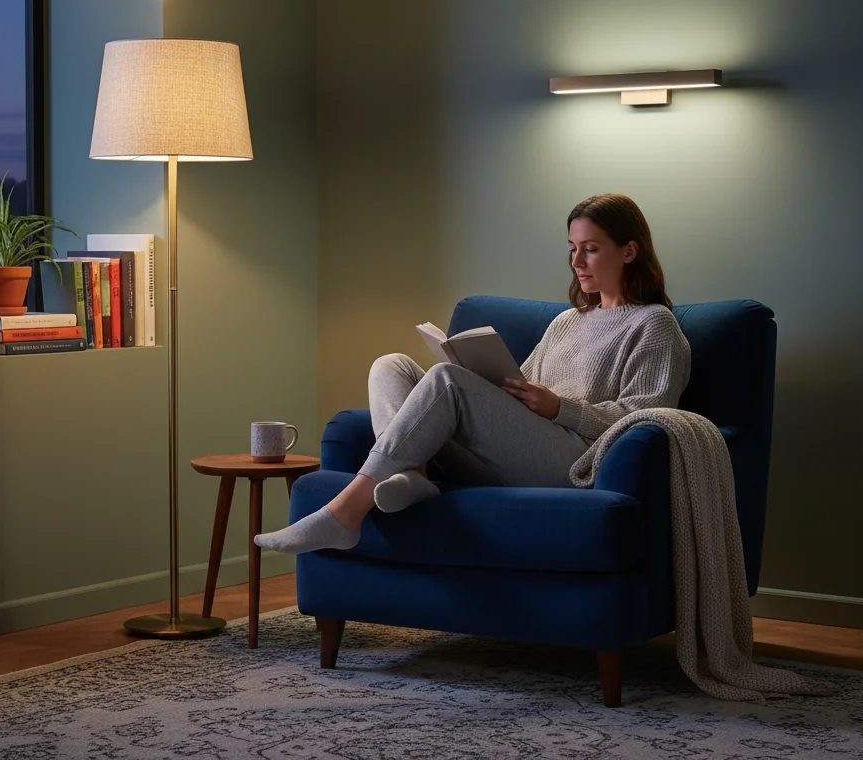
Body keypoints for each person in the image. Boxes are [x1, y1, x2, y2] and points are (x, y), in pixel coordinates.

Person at [255, 193, 692, 555]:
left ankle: (343, 514)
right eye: (572, 249)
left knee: (447, 379)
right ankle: (412, 478)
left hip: (576, 463)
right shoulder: (568, 321)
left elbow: (648, 416)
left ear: (629, 251)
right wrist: (492, 381)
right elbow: (518, 389)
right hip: (517, 450)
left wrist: (562, 409)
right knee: (391, 364)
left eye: (591, 249)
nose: (577, 261)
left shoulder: (654, 325)